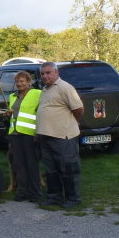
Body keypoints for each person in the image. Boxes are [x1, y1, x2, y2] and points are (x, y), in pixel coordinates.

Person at [36, 61, 84, 208]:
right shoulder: (45, 89)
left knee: (68, 168)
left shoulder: (65, 87)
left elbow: (78, 109)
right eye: (42, 73)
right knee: (51, 169)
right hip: (47, 136)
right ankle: (54, 197)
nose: (45, 76)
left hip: (64, 136)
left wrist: (69, 123)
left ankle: (73, 199)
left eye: (48, 72)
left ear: (56, 72)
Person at [7, 70, 42, 202]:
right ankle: (23, 191)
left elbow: (41, 113)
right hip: (15, 134)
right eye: (17, 81)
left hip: (30, 134)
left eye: (22, 81)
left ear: (29, 82)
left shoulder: (37, 94)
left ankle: (35, 192)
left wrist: (38, 133)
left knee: (31, 164)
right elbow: (14, 114)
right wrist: (8, 114)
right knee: (18, 164)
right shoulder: (12, 96)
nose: (19, 84)